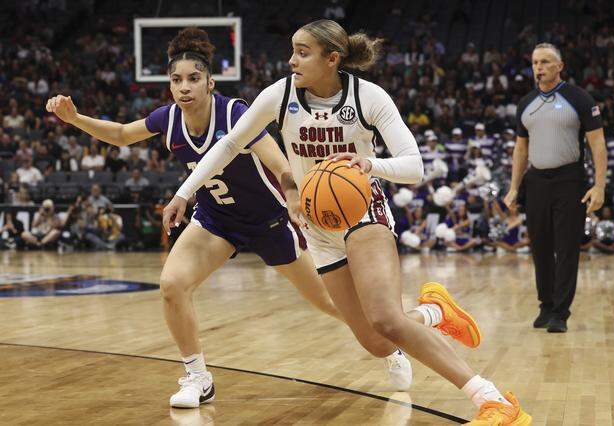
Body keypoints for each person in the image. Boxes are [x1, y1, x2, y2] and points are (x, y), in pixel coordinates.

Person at [165, 19, 531, 424]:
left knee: (386, 318)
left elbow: (414, 166)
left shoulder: (368, 96)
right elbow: (230, 143)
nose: (291, 60)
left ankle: (492, 400)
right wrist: (185, 192)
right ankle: (433, 313)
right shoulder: (279, 94)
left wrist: (369, 163)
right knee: (377, 342)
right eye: (292, 50)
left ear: (332, 59)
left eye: (302, 53)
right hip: (318, 227)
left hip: (363, 213)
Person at [46, 27, 418, 409]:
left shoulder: (234, 113)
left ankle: (390, 349)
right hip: (217, 220)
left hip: (270, 220)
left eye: (193, 79)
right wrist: (76, 119)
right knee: (172, 284)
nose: (184, 87)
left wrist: (293, 191)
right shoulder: (168, 118)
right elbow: (123, 133)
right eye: (176, 80)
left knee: (331, 303)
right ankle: (197, 377)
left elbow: (279, 162)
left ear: (210, 83)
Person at [504, 43, 607, 333]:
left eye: (546, 62)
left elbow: (597, 144)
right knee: (540, 246)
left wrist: (599, 186)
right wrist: (514, 187)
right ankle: (545, 305)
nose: (539, 67)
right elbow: (520, 149)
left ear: (559, 66)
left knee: (566, 247)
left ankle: (560, 312)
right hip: (536, 181)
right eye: (536, 62)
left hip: (570, 179)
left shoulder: (580, 98)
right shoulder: (526, 103)